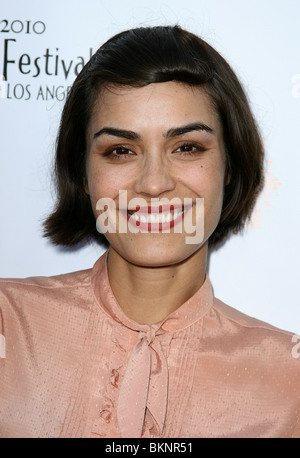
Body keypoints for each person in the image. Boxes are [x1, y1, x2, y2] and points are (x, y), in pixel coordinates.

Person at [0, 25, 299, 439]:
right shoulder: (7, 324)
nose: (154, 184)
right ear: (83, 174)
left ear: (229, 168)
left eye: (187, 147)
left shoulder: (289, 380)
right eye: (121, 150)